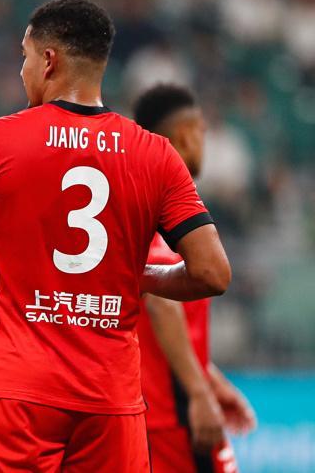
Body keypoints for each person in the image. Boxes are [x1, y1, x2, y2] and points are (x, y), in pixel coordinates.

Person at [0, 0, 231, 472]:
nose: (21, 70)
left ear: (48, 61)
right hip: (111, 402)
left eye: (24, 57)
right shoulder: (156, 154)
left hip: (16, 394)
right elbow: (212, 273)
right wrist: (138, 276)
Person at [133, 84, 256, 473]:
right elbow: (161, 304)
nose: (204, 140)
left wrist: (211, 380)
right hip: (172, 417)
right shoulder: (161, 212)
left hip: (155, 412)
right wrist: (200, 394)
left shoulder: (138, 202)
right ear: (185, 136)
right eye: (201, 131)